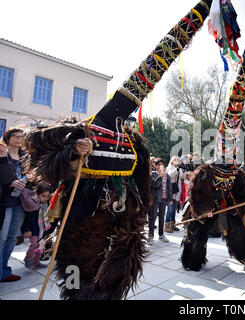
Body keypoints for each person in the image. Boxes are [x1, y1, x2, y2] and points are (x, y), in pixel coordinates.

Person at [22, 0, 211, 300]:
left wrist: (141, 210)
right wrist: (73, 150)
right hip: (81, 221)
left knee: (113, 281)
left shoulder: (134, 145)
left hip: (121, 223)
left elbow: (141, 182)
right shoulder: (82, 128)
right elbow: (37, 148)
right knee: (74, 280)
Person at [0, 128, 27, 282]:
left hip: (20, 201)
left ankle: (5, 270)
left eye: (21, 136)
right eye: (15, 136)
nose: (18, 139)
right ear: (8, 137)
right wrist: (10, 182)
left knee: (12, 238)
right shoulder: (2, 154)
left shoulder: (25, 157)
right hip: (5, 200)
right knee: (2, 238)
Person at [21, 183, 52, 269]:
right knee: (34, 244)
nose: (45, 198)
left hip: (42, 229)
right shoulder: (33, 205)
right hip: (33, 230)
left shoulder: (45, 205)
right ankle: (28, 259)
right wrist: (26, 229)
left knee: (41, 246)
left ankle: (36, 262)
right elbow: (27, 218)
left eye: (48, 196)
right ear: (37, 194)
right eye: (43, 196)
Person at [148, 159, 172, 244]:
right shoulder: (153, 174)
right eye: (159, 165)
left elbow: (169, 188)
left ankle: (161, 234)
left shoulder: (167, 176)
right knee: (152, 217)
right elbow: (154, 185)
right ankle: (150, 235)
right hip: (155, 199)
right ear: (155, 165)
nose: (160, 166)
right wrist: (160, 176)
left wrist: (170, 199)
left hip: (164, 199)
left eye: (162, 164)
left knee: (162, 217)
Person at [165, 156, 181, 233]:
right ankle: (166, 225)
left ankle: (172, 225)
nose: (176, 161)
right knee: (170, 209)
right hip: (170, 191)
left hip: (176, 191)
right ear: (172, 161)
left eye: (178, 159)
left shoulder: (179, 168)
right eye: (175, 159)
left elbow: (182, 177)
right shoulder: (169, 167)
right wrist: (176, 170)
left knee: (174, 210)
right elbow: (169, 175)